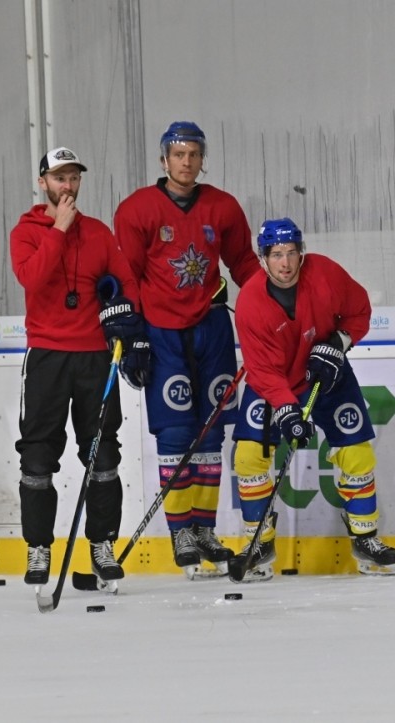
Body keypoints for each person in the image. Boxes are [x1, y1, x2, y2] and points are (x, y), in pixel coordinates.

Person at [113, 121, 262, 578]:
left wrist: (273, 304)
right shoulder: (137, 209)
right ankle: (180, 531)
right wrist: (132, 335)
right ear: (164, 159)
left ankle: (204, 529)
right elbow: (126, 276)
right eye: (178, 154)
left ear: (202, 159)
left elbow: (243, 263)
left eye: (194, 154)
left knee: (211, 433)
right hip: (162, 332)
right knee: (176, 434)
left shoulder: (223, 206)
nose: (186, 161)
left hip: (211, 327)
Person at [230, 218, 395, 582]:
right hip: (273, 383)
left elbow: (359, 311)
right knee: (249, 455)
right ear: (263, 259)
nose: (286, 263)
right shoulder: (250, 301)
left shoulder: (325, 273)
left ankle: (365, 538)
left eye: (292, 253)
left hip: (327, 377)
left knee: (356, 452)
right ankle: (259, 542)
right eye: (277, 255)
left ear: (301, 253)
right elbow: (262, 370)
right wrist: (288, 411)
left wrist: (339, 342)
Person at [10, 147, 145, 590]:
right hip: (47, 356)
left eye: (73, 177)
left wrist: (127, 322)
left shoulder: (99, 233)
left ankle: (102, 545)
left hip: (95, 356)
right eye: (59, 178)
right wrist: (59, 230)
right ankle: (38, 547)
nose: (67, 185)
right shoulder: (26, 232)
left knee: (103, 454)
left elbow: (126, 283)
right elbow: (32, 278)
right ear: (42, 183)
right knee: (37, 456)